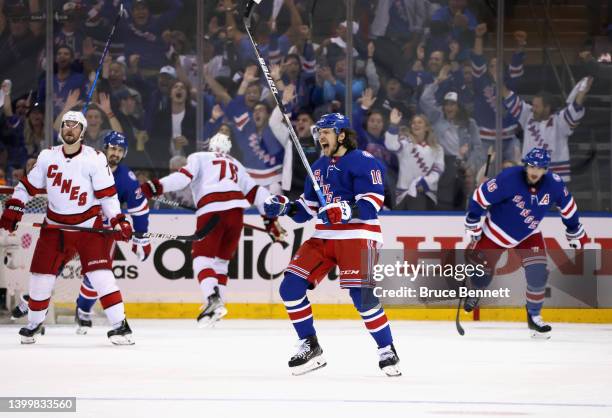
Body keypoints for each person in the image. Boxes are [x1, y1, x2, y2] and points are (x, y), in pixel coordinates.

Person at [263, 113, 401, 377]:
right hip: (325, 236)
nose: (321, 136)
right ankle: (310, 345)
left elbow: (372, 205)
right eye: (319, 132)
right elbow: (306, 211)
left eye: (326, 131)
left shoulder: (363, 161)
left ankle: (386, 349)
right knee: (290, 286)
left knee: (362, 298)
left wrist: (344, 210)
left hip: (359, 235)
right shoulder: (318, 168)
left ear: (341, 135)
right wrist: (285, 207)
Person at [0, 111, 134, 345]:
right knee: (40, 279)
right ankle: (33, 324)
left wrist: (118, 220)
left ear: (82, 132)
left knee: (101, 277)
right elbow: (27, 186)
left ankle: (121, 326)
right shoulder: (47, 156)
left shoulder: (95, 158)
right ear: (61, 129)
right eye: (65, 126)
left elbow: (108, 196)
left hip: (87, 229)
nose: (69, 130)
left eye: (74, 127)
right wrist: (15, 205)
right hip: (54, 229)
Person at [140, 133, 286, 327]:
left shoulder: (199, 157)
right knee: (221, 262)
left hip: (212, 210)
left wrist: (154, 187)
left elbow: (182, 178)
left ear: (210, 146)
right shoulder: (236, 164)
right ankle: (217, 307)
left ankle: (211, 298)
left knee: (202, 258)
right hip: (236, 213)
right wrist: (269, 219)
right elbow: (256, 192)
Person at [463, 148, 589, 338]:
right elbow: (480, 197)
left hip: (528, 234)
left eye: (540, 168)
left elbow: (568, 206)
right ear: (525, 165)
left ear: (546, 170)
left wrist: (573, 230)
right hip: (495, 232)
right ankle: (476, 289)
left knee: (538, 273)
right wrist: (473, 220)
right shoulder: (508, 178)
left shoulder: (554, 184)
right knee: (482, 276)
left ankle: (534, 317)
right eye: (531, 166)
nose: (535, 171)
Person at [502, 77, 592, 182]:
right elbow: (508, 96)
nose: (533, 109)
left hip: (554, 178)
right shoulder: (527, 115)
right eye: (533, 105)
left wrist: (581, 92)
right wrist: (497, 77)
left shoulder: (560, 121)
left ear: (547, 108)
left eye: (536, 106)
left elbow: (575, 108)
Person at [385, 111, 445, 210]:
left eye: (419, 122)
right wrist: (393, 125)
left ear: (427, 127)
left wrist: (424, 183)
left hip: (426, 195)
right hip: (403, 195)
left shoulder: (437, 149)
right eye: (413, 122)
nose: (415, 125)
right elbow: (391, 145)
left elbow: (437, 171)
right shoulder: (405, 143)